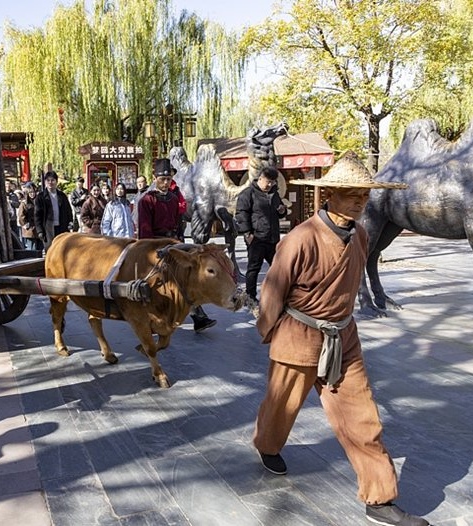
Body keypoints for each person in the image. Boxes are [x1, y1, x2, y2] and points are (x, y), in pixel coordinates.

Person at [252, 152, 428, 526]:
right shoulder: (301, 238)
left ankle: (379, 498)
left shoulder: (361, 234)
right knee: (280, 405)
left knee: (363, 416)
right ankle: (267, 445)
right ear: (329, 194)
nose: (360, 202)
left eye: (364, 196)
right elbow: (273, 289)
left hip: (343, 339)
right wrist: (269, 331)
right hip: (298, 337)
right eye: (352, 195)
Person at [137, 158, 216, 333]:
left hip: (174, 243)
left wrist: (181, 245)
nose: (165, 183)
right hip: (155, 246)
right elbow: (144, 231)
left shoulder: (173, 199)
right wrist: (151, 252)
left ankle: (197, 315)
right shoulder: (147, 200)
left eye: (168, 179)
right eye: (162, 179)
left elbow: (178, 224)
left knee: (188, 275)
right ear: (154, 177)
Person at [235, 166, 287, 302]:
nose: (270, 185)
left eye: (273, 182)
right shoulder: (248, 193)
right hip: (256, 238)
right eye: (268, 182)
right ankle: (250, 296)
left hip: (273, 237)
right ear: (260, 178)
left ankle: (278, 293)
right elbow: (241, 213)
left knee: (278, 267)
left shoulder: (274, 194)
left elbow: (280, 212)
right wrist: (247, 233)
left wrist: (282, 211)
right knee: (253, 268)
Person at [34, 170, 72, 251]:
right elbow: (37, 215)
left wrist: (70, 222)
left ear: (56, 182)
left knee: (63, 250)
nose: (50, 182)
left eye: (52, 180)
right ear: (45, 182)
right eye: (48, 180)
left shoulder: (62, 196)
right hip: (48, 229)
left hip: (62, 227)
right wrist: (40, 231)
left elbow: (68, 210)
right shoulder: (40, 197)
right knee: (51, 251)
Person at [17, 182, 43, 252]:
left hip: (39, 228)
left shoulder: (39, 201)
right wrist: (25, 224)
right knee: (32, 249)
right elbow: (21, 215)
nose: (32, 194)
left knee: (40, 248)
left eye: (33, 192)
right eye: (30, 192)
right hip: (30, 229)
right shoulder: (24, 203)